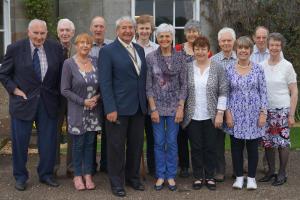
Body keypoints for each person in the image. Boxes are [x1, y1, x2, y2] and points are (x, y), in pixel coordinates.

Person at [0, 19, 64, 191]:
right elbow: (4, 74)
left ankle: (46, 174)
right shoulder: (15, 49)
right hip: (23, 102)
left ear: (46, 33)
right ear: (28, 32)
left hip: (48, 103)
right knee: (20, 143)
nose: (39, 36)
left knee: (48, 142)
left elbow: (60, 77)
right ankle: (20, 177)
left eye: (42, 33)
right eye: (35, 33)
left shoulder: (56, 48)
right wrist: (14, 90)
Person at [99, 16, 147, 197]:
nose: (128, 31)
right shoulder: (108, 51)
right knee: (116, 147)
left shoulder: (139, 50)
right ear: (117, 30)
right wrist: (110, 108)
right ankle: (117, 183)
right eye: (124, 28)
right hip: (117, 109)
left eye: (130, 28)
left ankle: (133, 178)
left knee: (135, 145)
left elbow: (140, 78)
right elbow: (105, 82)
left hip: (138, 107)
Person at [182, 36, 228, 191]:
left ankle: (209, 176)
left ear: (208, 51)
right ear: (193, 50)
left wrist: (220, 113)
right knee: (195, 147)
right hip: (192, 115)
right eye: (197, 49)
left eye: (203, 49)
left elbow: (223, 92)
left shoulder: (217, 67)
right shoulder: (187, 67)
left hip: (211, 115)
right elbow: (183, 91)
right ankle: (197, 176)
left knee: (210, 147)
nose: (200, 52)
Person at [146, 23, 187, 191]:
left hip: (174, 107)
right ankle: (160, 174)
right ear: (157, 38)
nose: (164, 39)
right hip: (156, 106)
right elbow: (148, 85)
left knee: (171, 142)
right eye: (161, 36)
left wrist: (180, 107)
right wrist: (153, 109)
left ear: (172, 38)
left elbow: (184, 85)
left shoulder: (180, 58)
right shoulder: (151, 58)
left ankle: (170, 175)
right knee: (158, 142)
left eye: (167, 36)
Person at [225, 36, 268, 190]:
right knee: (236, 148)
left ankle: (251, 178)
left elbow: (263, 92)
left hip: (254, 115)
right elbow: (226, 93)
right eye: (240, 48)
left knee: (252, 148)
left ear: (250, 50)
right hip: (235, 115)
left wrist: (263, 113)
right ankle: (238, 177)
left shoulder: (258, 69)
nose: (243, 50)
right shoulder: (229, 69)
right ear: (236, 50)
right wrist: (227, 113)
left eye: (246, 48)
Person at [61, 33, 102, 191]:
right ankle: (77, 175)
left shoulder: (96, 62)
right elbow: (64, 89)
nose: (85, 45)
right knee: (78, 145)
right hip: (77, 110)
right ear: (76, 45)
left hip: (94, 110)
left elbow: (102, 84)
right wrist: (83, 101)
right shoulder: (68, 64)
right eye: (82, 43)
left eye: (88, 43)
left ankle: (88, 175)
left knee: (90, 144)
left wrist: (97, 97)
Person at [259, 33, 298, 186]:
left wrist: (291, 114)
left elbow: (294, 91)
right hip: (265, 110)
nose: (274, 47)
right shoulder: (261, 65)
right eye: (272, 44)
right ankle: (271, 171)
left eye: (277, 44)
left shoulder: (287, 66)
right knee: (267, 142)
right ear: (268, 46)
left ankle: (282, 173)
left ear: (281, 46)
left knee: (282, 143)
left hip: (282, 110)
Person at [211, 27, 237, 182]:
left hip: (238, 106)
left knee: (238, 140)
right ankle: (219, 170)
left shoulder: (242, 57)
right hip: (219, 107)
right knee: (218, 141)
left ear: (234, 41)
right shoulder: (213, 60)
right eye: (223, 41)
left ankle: (239, 170)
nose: (226, 43)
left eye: (229, 40)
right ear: (219, 42)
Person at [136, 14, 159, 176]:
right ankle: (135, 169)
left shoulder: (157, 48)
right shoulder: (130, 46)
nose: (144, 31)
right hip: (135, 98)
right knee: (135, 136)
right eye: (141, 28)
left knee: (152, 135)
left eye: (147, 28)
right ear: (137, 30)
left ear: (151, 30)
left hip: (153, 98)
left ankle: (153, 167)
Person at [89, 16, 112, 174]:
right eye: (95, 26)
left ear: (105, 28)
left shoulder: (112, 46)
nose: (98, 29)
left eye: (101, 26)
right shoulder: (85, 45)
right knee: (91, 132)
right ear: (91, 28)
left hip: (109, 94)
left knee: (108, 132)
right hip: (90, 95)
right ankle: (90, 166)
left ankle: (106, 164)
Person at [55, 18, 76, 177]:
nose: (64, 33)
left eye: (67, 30)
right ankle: (53, 167)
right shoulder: (50, 49)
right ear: (57, 32)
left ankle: (72, 167)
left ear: (73, 33)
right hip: (55, 99)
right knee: (53, 133)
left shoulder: (79, 49)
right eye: (62, 30)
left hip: (74, 99)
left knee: (73, 133)